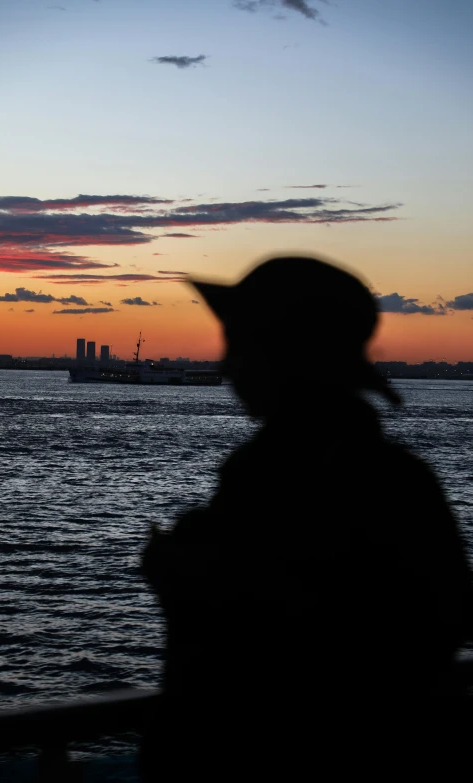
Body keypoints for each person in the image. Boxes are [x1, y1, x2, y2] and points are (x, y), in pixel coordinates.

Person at [139, 255, 473, 782]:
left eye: (241, 347)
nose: (227, 368)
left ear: (284, 356)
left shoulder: (276, 479)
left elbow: (287, 650)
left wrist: (196, 583)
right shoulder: (400, 478)